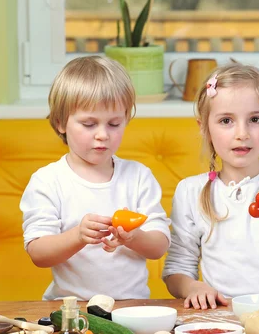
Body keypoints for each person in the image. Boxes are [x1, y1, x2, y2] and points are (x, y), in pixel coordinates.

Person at [20, 56, 171, 301]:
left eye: (114, 123)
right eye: (89, 124)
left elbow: (159, 247)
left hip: (131, 307)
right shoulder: (47, 181)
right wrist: (78, 236)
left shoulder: (138, 177)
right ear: (60, 123)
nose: (102, 135)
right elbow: (38, 253)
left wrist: (133, 238)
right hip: (70, 309)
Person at [163, 62, 259, 309]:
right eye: (226, 121)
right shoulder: (190, 191)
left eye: (255, 119)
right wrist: (193, 287)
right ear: (205, 128)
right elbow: (177, 269)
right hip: (224, 318)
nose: (242, 133)